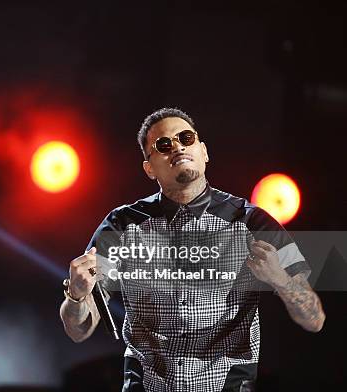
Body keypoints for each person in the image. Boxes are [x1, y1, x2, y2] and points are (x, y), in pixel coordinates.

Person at [59, 108, 325, 392]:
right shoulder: (122, 225)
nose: (177, 147)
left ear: (204, 151)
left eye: (186, 137)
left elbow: (315, 319)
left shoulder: (254, 222)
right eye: (164, 145)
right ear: (149, 168)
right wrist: (76, 295)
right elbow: (78, 330)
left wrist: (281, 281)